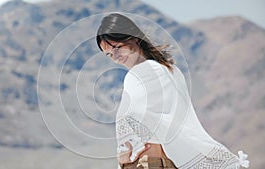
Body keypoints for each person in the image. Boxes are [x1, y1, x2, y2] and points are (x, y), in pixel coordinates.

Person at [96, 13, 249, 169]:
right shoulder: (171, 71)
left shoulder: (138, 74)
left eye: (117, 48)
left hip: (147, 164)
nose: (115, 57)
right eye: (109, 54)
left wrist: (124, 153)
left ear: (133, 37)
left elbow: (131, 116)